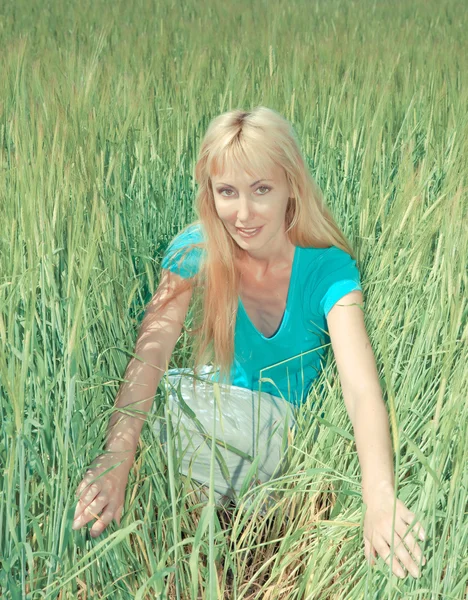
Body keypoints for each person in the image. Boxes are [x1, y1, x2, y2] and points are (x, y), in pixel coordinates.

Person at [72, 107, 426, 579]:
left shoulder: (328, 269)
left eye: (261, 190)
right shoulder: (193, 250)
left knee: (191, 414)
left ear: (290, 188)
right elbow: (151, 351)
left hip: (280, 431)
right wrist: (117, 456)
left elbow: (361, 388)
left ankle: (248, 524)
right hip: (209, 409)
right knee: (161, 401)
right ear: (210, 193)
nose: (242, 214)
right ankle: (198, 540)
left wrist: (379, 494)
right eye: (227, 192)